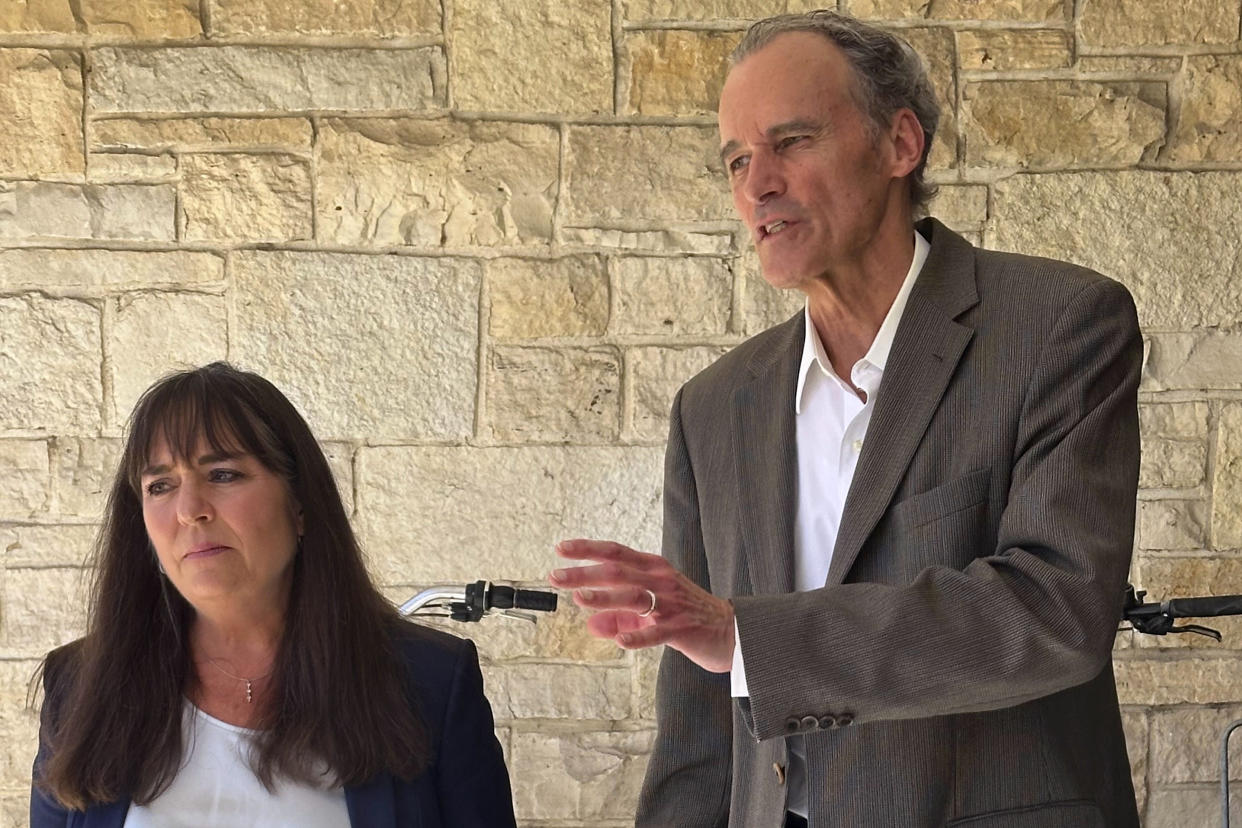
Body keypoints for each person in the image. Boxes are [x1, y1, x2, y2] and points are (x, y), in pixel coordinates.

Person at [550, 10, 1141, 827]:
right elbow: (698, 720)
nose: (757, 183)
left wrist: (751, 638)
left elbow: (1055, 609)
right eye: (736, 159)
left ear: (901, 144)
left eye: (790, 142)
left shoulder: (1060, 326)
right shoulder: (714, 408)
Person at [30, 362, 516, 827]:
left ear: (300, 505)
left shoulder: (430, 684)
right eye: (160, 485)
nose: (189, 509)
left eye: (222, 474)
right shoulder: (80, 687)